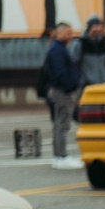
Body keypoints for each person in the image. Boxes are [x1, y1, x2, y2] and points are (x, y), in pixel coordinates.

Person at [41, 20, 86, 168]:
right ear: (59, 33)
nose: (71, 36)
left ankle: (60, 156)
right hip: (61, 91)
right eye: (68, 33)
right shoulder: (57, 50)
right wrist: (69, 89)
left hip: (62, 90)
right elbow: (60, 72)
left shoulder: (60, 49)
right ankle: (61, 156)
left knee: (61, 124)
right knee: (62, 124)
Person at [77, 16, 105, 88]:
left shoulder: (104, 42)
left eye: (100, 27)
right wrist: (81, 80)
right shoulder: (81, 43)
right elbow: (76, 63)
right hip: (87, 84)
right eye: (96, 26)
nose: (99, 29)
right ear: (89, 27)